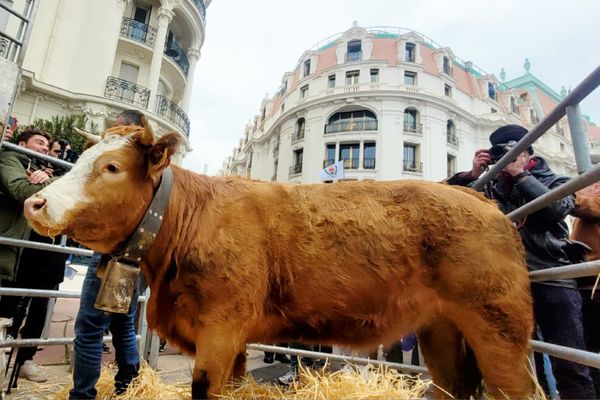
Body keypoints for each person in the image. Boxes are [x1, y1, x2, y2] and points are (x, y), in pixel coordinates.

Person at [447, 124, 596, 399]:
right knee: (526, 361)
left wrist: (520, 175)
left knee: (570, 362)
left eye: (514, 152)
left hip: (552, 277)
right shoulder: (488, 186)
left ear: (528, 154)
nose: (508, 159)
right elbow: (439, 201)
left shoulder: (554, 180)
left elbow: (556, 210)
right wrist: (470, 176)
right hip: (508, 285)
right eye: (501, 155)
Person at [69, 110, 144, 399]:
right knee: (123, 322)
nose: (114, 131)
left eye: (118, 127)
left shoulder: (122, 162)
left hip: (111, 254)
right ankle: (128, 387)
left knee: (89, 328)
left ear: (127, 127)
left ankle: (83, 395)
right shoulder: (147, 166)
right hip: (136, 254)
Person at [0, 129, 58, 382]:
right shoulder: (10, 158)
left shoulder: (36, 168)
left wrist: (44, 177)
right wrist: (47, 181)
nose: (45, 148)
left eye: (47, 145)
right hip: (7, 246)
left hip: (21, 252)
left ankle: (21, 361)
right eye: (40, 143)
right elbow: (23, 191)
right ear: (21, 143)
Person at [570, 182, 600, 395]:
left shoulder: (593, 203)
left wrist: (563, 193)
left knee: (593, 345)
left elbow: (582, 205)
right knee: (589, 346)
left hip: (596, 286)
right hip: (587, 285)